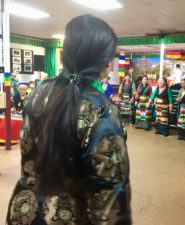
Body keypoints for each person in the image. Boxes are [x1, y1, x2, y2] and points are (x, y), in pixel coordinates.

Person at [6, 14, 131, 225]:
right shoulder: (101, 111)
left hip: (23, 211)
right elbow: (111, 198)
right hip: (66, 217)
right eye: (110, 57)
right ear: (102, 61)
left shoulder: (39, 91)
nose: (111, 63)